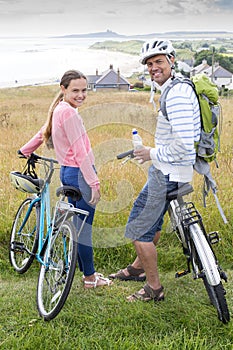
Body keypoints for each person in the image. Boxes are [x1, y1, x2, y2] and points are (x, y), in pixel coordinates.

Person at [109, 39, 201, 302]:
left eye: (158, 61)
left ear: (172, 60)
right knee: (152, 221)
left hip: (168, 174)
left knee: (139, 229)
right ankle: (138, 269)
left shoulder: (179, 94)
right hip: (169, 171)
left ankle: (154, 288)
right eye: (149, 64)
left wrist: (151, 153)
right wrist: (152, 151)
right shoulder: (174, 89)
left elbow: (184, 146)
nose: (153, 67)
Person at [20, 69, 112, 289]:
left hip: (67, 174)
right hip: (79, 174)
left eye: (84, 90)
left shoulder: (59, 109)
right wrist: (94, 182)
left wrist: (25, 150)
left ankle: (84, 272)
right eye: (75, 90)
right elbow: (80, 152)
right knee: (84, 231)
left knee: (77, 227)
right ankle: (90, 278)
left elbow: (43, 132)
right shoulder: (69, 113)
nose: (81, 95)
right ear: (63, 89)